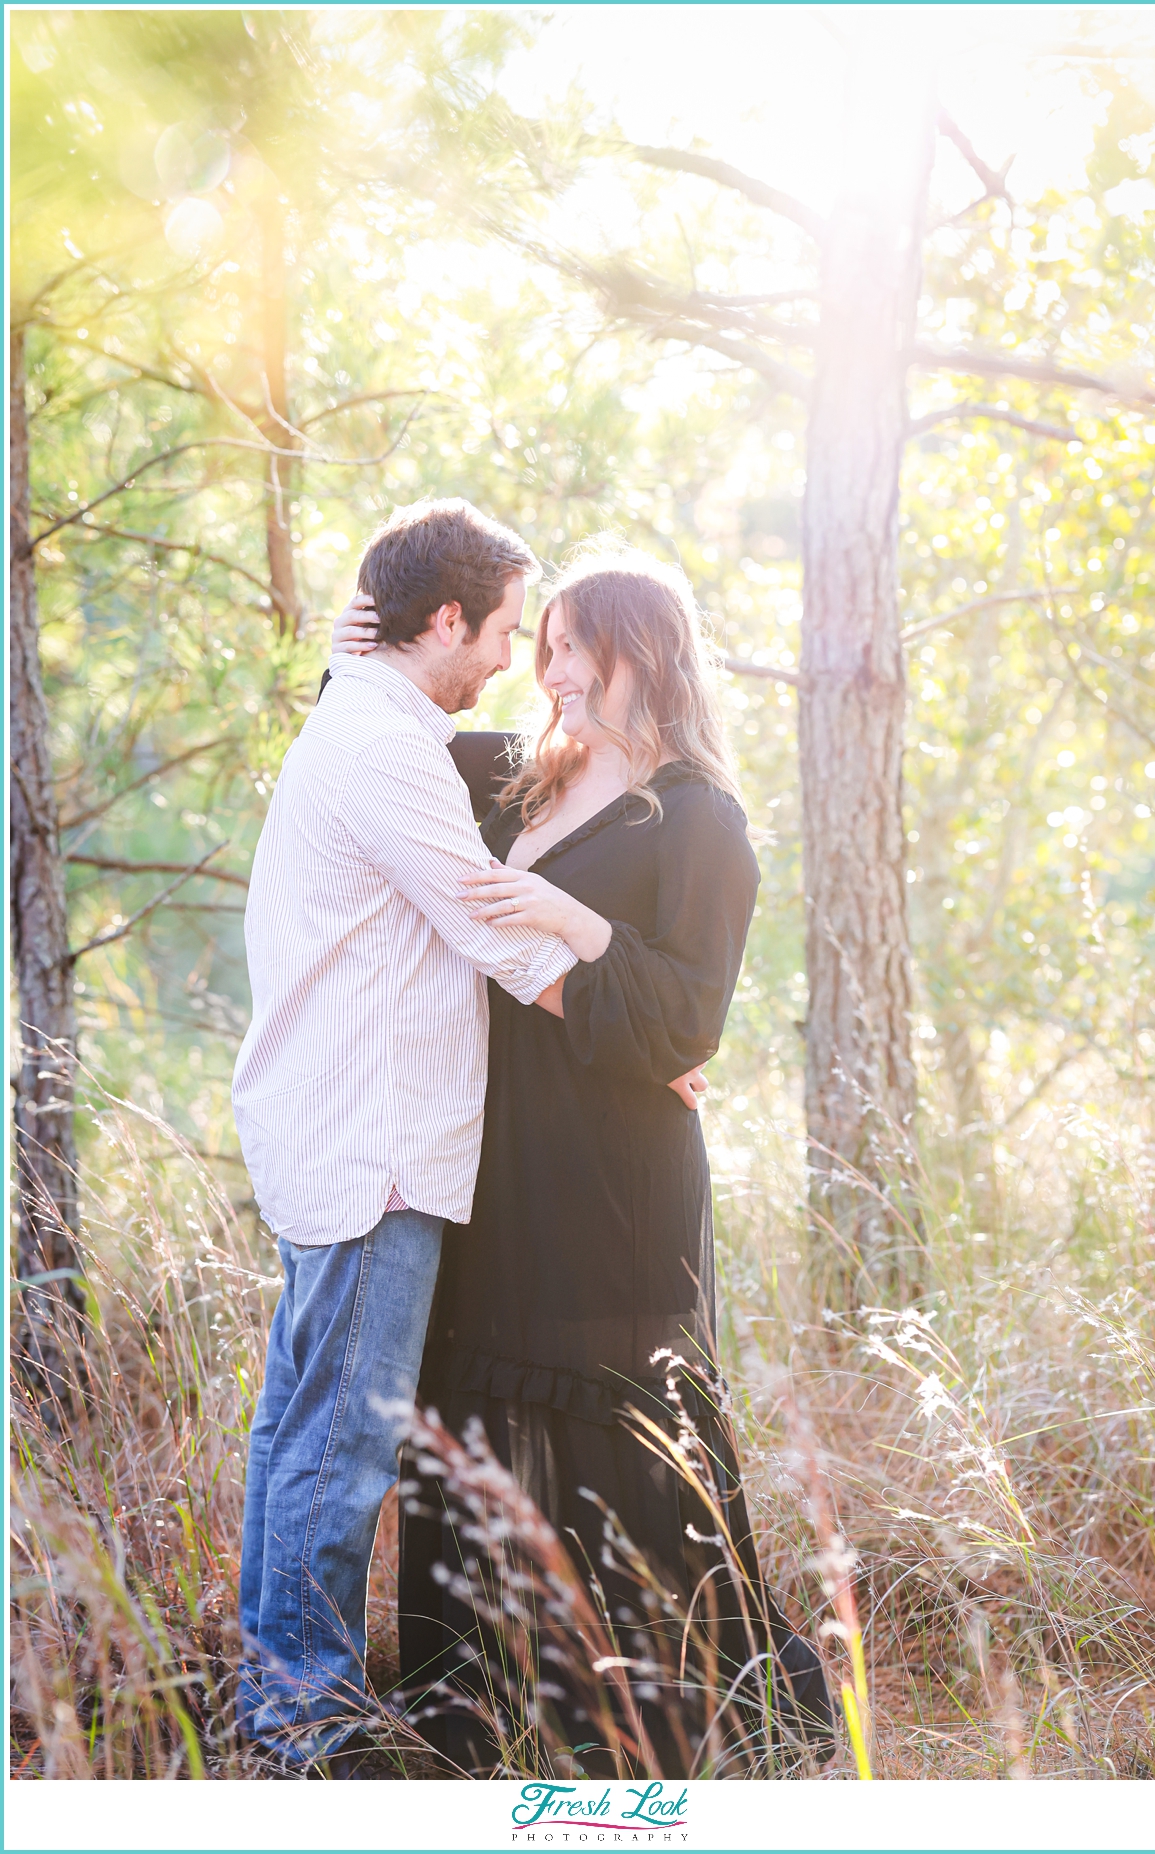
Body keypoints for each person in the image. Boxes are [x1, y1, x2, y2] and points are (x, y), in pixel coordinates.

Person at [332, 545, 833, 1776]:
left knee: (628, 1431)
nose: (542, 669)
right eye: (536, 642)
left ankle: (684, 1710)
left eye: (567, 646)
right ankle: (481, 1702)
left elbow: (683, 1021)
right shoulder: (503, 776)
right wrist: (361, 629)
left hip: (620, 1177)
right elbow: (378, 716)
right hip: (497, 1157)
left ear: (639, 653)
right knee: (476, 1411)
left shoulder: (701, 818)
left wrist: (568, 917)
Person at [231, 499, 594, 1776]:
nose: (507, 657)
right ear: (443, 620)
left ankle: (276, 1696)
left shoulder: (364, 717)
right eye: (499, 631)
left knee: (299, 1434)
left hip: (335, 1134)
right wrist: (647, 1028)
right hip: (374, 1148)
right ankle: (306, 1724)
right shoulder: (384, 750)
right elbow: (492, 923)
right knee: (341, 1449)